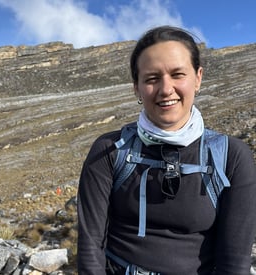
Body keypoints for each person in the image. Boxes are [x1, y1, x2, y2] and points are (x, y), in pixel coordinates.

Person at [77, 25, 256, 275]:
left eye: (177, 74)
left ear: (198, 78)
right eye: (151, 78)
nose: (165, 89)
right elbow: (90, 248)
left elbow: (234, 263)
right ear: (136, 88)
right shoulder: (108, 151)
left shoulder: (232, 157)